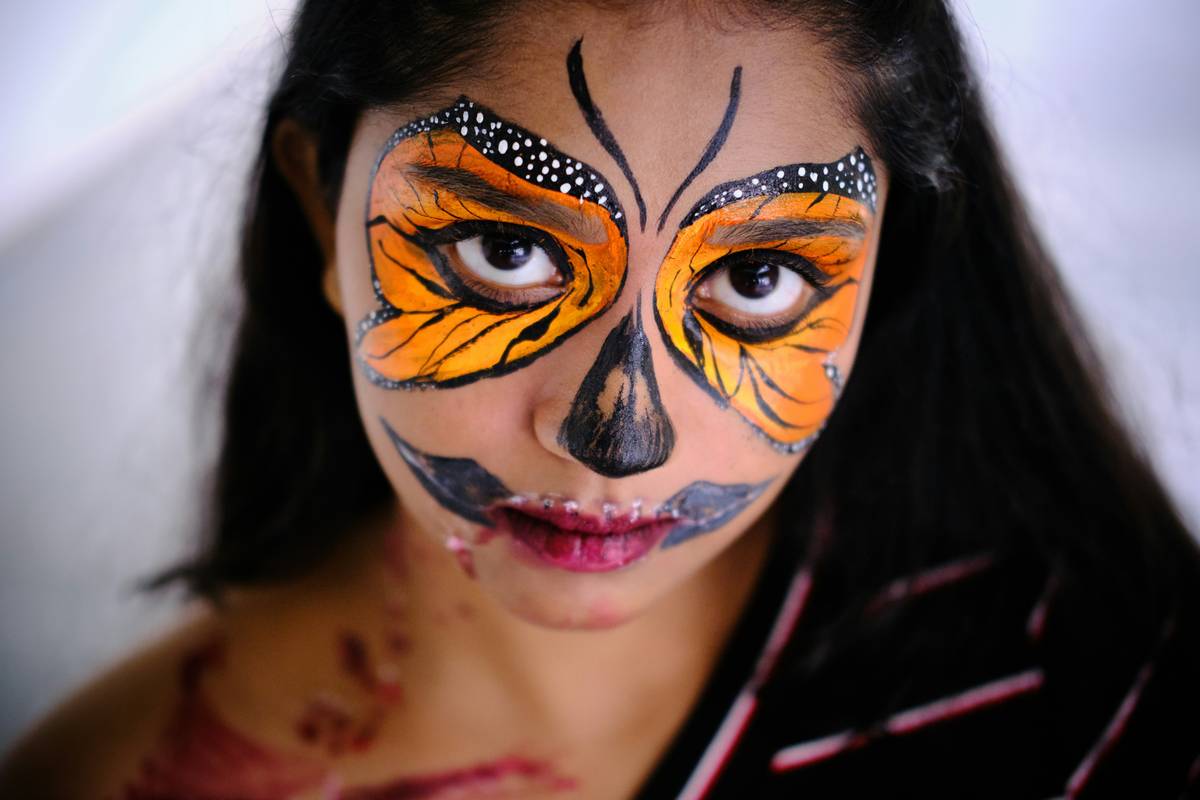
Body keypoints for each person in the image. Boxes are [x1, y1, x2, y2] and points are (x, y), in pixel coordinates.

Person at [3, 0, 1199, 797]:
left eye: (757, 277)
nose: (620, 436)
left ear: (889, 260)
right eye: (505, 252)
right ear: (322, 209)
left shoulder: (1100, 683)